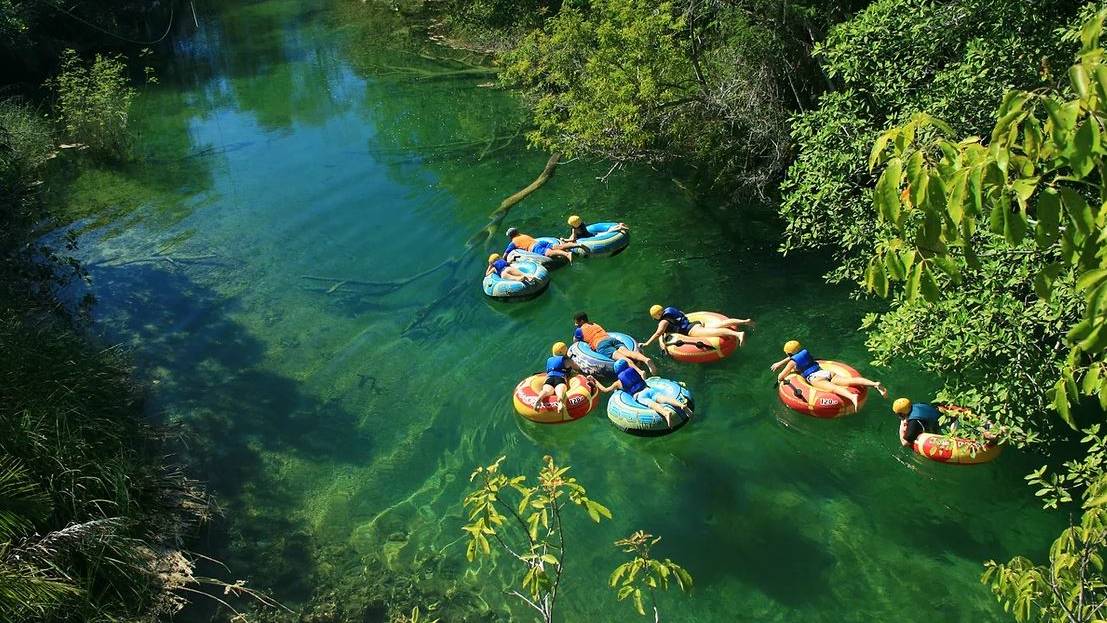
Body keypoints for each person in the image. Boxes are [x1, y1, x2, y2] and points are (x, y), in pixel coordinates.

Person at [769, 340, 888, 411]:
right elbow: (794, 356)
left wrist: (781, 376)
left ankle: (852, 397)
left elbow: (781, 376)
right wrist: (781, 362)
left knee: (834, 388)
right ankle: (875, 384)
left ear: (788, 353)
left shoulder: (792, 362)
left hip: (815, 378)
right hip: (826, 372)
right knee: (850, 380)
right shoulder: (805, 352)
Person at [593, 360, 691, 428]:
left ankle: (665, 413)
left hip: (640, 395)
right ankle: (681, 405)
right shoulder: (634, 371)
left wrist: (594, 381)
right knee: (664, 398)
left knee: (652, 404)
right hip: (648, 389)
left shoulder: (618, 383)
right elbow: (643, 377)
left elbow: (605, 390)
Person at [573, 312, 656, 375]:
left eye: (577, 322)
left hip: (601, 345)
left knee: (622, 358)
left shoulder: (579, 330)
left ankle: (640, 372)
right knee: (628, 352)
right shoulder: (594, 324)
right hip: (610, 339)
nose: (576, 324)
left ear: (582, 321)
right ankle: (646, 359)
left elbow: (575, 342)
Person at [641, 304, 753, 350]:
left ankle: (738, 334)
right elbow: (682, 314)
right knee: (718, 324)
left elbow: (658, 333)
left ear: (656, 315)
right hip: (695, 323)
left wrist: (647, 343)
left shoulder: (663, 322)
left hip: (691, 330)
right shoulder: (670, 310)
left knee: (714, 332)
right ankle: (744, 321)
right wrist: (661, 341)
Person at [535, 342, 585, 419]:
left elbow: (548, 371)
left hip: (549, 378)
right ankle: (560, 401)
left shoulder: (549, 360)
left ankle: (540, 398)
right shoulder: (566, 360)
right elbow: (577, 368)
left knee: (547, 390)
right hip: (560, 378)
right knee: (561, 388)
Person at [504, 227, 582, 263]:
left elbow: (506, 253)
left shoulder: (513, 242)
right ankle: (577, 245)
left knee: (548, 253)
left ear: (511, 236)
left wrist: (504, 260)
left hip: (534, 247)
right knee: (558, 246)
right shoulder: (523, 235)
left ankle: (567, 254)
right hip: (540, 242)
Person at [564, 214, 628, 242]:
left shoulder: (575, 229)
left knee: (608, 233)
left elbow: (573, 239)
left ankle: (619, 228)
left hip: (589, 239)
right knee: (606, 232)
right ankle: (618, 226)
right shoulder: (582, 224)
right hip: (591, 235)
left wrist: (564, 240)